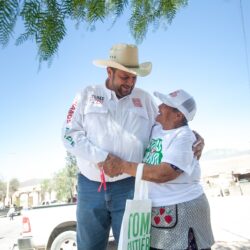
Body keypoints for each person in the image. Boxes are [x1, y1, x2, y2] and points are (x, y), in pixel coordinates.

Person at [62, 44, 204, 250]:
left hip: (131, 186)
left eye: (134, 77)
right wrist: (103, 158)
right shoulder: (86, 95)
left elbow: (169, 125)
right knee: (89, 246)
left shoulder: (144, 99)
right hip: (91, 187)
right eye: (124, 77)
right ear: (109, 71)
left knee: (133, 246)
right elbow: (69, 135)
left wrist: (195, 136)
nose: (130, 83)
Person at [102, 89, 214, 250]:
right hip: (161, 211)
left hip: (183, 210)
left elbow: (164, 173)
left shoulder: (184, 137)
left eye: (167, 105)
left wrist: (122, 166)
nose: (160, 106)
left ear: (178, 116)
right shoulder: (157, 129)